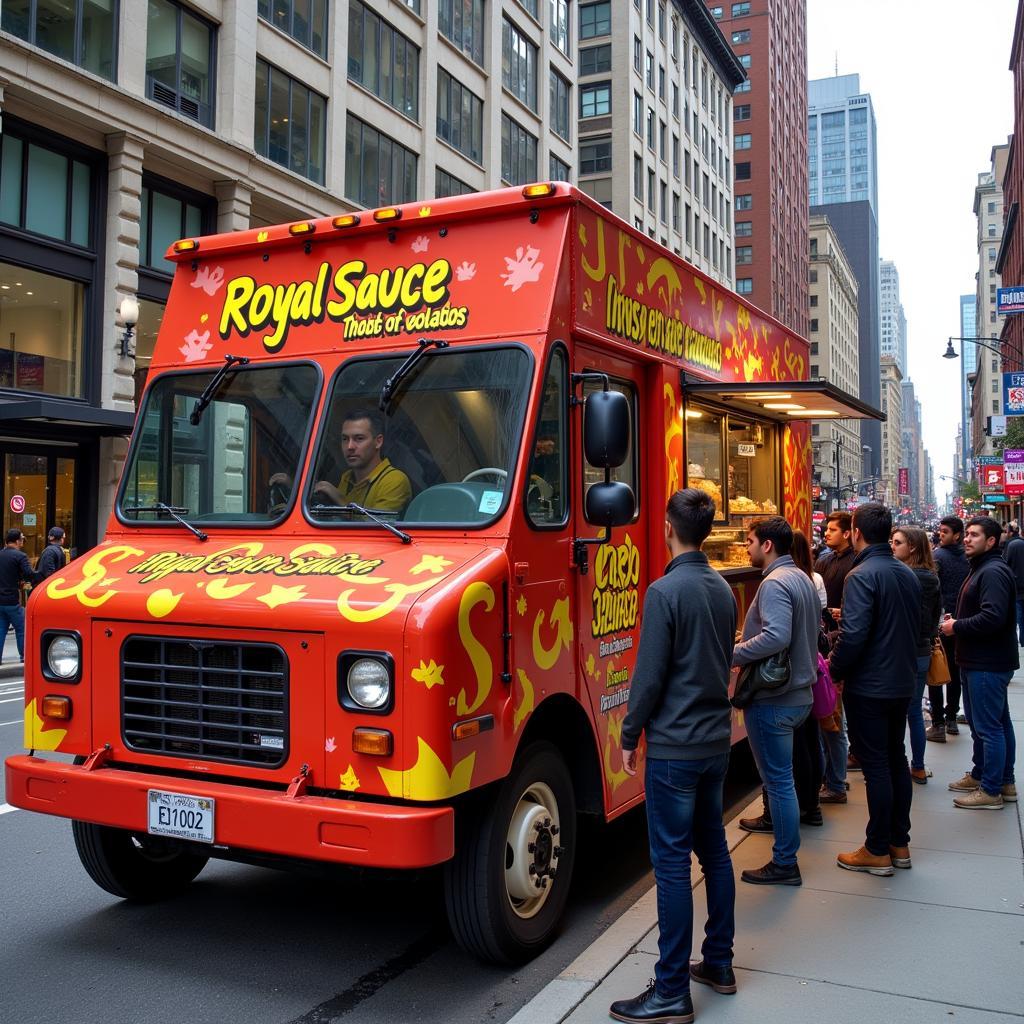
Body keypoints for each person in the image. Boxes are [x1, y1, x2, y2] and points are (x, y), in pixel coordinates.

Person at [610, 489, 738, 1024]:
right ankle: (720, 963)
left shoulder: (664, 592)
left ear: (667, 527)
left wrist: (628, 734)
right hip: (714, 743)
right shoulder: (723, 588)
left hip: (675, 748)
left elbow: (648, 676)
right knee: (715, 852)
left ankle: (669, 989)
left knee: (670, 865)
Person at [829, 503, 920, 876]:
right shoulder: (906, 573)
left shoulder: (861, 575)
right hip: (901, 681)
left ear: (856, 532)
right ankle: (899, 842)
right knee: (896, 758)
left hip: (870, 685)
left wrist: (834, 670)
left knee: (877, 765)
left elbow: (854, 636)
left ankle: (877, 848)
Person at [732, 516, 819, 886]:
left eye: (750, 541)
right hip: (798, 695)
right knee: (782, 780)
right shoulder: (800, 577)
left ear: (767, 545)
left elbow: (777, 636)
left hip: (775, 699)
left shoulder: (774, 583)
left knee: (779, 782)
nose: (746, 548)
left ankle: (785, 862)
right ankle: (785, 854)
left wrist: (735, 652)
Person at [942, 516, 1019, 809]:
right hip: (982, 660)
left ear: (990, 541)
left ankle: (991, 790)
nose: (967, 539)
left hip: (987, 662)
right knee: (995, 724)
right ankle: (997, 779)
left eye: (974, 535)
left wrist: (957, 626)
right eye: (967, 534)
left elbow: (993, 617)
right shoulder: (983, 568)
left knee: (988, 727)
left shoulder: (993, 572)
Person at [890, 527, 942, 785]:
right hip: (922, 650)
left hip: (900, 652)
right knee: (913, 712)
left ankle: (896, 764)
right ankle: (918, 766)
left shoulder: (903, 577)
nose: (892, 546)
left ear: (912, 547)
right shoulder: (932, 577)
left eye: (897, 542)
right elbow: (935, 618)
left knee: (896, 711)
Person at [814, 511, 855, 802]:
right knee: (825, 719)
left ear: (848, 533)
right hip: (825, 642)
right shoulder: (824, 561)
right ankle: (831, 776)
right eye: (826, 529)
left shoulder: (856, 563)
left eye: (832, 529)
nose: (827, 534)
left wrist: (846, 612)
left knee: (834, 719)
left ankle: (837, 780)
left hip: (840, 644)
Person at [787, 530, 827, 825]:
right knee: (811, 740)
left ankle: (802, 808)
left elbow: (778, 636)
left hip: (793, 677)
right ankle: (811, 803)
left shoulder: (785, 583)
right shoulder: (809, 580)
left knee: (797, 747)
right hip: (808, 671)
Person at [310, 409, 411, 512]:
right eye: (345, 439)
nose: (349, 446)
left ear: (378, 442)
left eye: (359, 438)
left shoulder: (394, 480)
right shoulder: (347, 477)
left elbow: (378, 525)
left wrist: (339, 498)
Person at [929, 516, 970, 741]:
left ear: (957, 534)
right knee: (954, 672)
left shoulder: (937, 557)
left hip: (941, 623)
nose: (940, 534)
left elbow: (933, 590)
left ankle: (938, 721)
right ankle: (951, 717)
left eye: (945, 531)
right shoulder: (967, 557)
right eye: (940, 531)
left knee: (936, 671)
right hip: (960, 623)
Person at [0, 528, 33, 663]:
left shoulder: (1, 554)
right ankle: (24, 656)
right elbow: (29, 574)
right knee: (21, 629)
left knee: (1, 630)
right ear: (17, 541)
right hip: (12, 600)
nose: (22, 543)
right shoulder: (20, 556)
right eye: (22, 540)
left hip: (0, 601)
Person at [1001, 520, 1024, 647]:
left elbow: (1005, 564)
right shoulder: (1017, 543)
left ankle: (1022, 640)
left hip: (1016, 587)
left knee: (1019, 616)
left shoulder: (1010, 545)